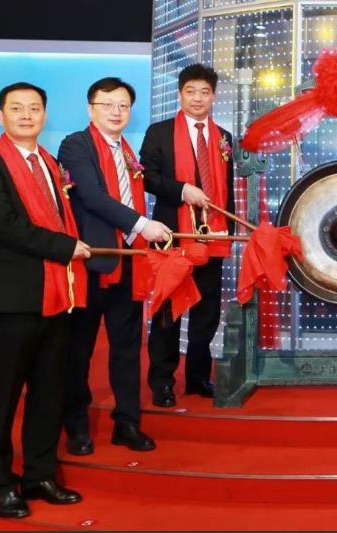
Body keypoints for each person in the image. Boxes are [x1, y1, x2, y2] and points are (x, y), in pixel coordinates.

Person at [0, 82, 88, 518]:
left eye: (34, 108)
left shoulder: (51, 165)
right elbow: (2, 224)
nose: (26, 115)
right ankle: (1, 484)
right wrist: (65, 248)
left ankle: (39, 475)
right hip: (14, 298)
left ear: (44, 115)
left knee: (48, 392)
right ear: (1, 116)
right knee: (4, 396)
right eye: (16, 108)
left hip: (57, 295)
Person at [59, 77, 171, 456]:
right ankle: (76, 427)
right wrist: (142, 225)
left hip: (129, 261)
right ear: (90, 109)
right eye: (107, 104)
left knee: (127, 347)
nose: (116, 111)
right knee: (79, 350)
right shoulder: (76, 145)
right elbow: (92, 196)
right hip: (91, 262)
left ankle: (127, 422)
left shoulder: (127, 151)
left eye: (123, 105)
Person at [140, 63, 235, 406]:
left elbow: (227, 190)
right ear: (179, 94)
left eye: (204, 92)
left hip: (213, 238)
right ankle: (162, 383)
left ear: (214, 96)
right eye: (191, 91)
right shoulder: (159, 132)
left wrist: (228, 233)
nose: (197, 98)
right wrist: (182, 190)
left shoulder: (224, 137)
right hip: (172, 236)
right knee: (169, 311)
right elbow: (147, 177)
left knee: (207, 313)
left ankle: (198, 378)